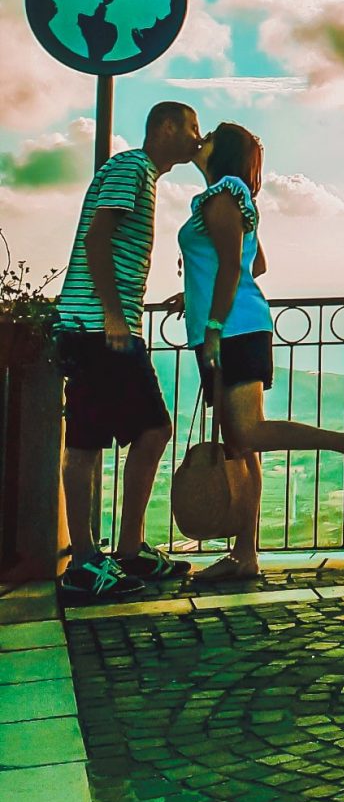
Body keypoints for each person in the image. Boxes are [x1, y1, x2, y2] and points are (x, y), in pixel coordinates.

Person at [175, 122, 344, 587]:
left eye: (209, 136)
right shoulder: (228, 196)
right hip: (234, 324)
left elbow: (234, 267)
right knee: (242, 446)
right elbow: (256, 263)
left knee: (246, 433)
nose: (201, 139)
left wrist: (213, 323)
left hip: (231, 329)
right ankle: (245, 554)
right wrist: (193, 293)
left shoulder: (223, 195)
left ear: (222, 152)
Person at [56, 101, 203, 605]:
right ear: (165, 127)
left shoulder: (143, 175)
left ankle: (125, 550)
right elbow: (98, 240)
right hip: (98, 327)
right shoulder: (130, 167)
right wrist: (115, 315)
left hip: (102, 325)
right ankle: (85, 563)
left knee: (147, 430)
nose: (197, 136)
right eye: (191, 127)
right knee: (90, 441)